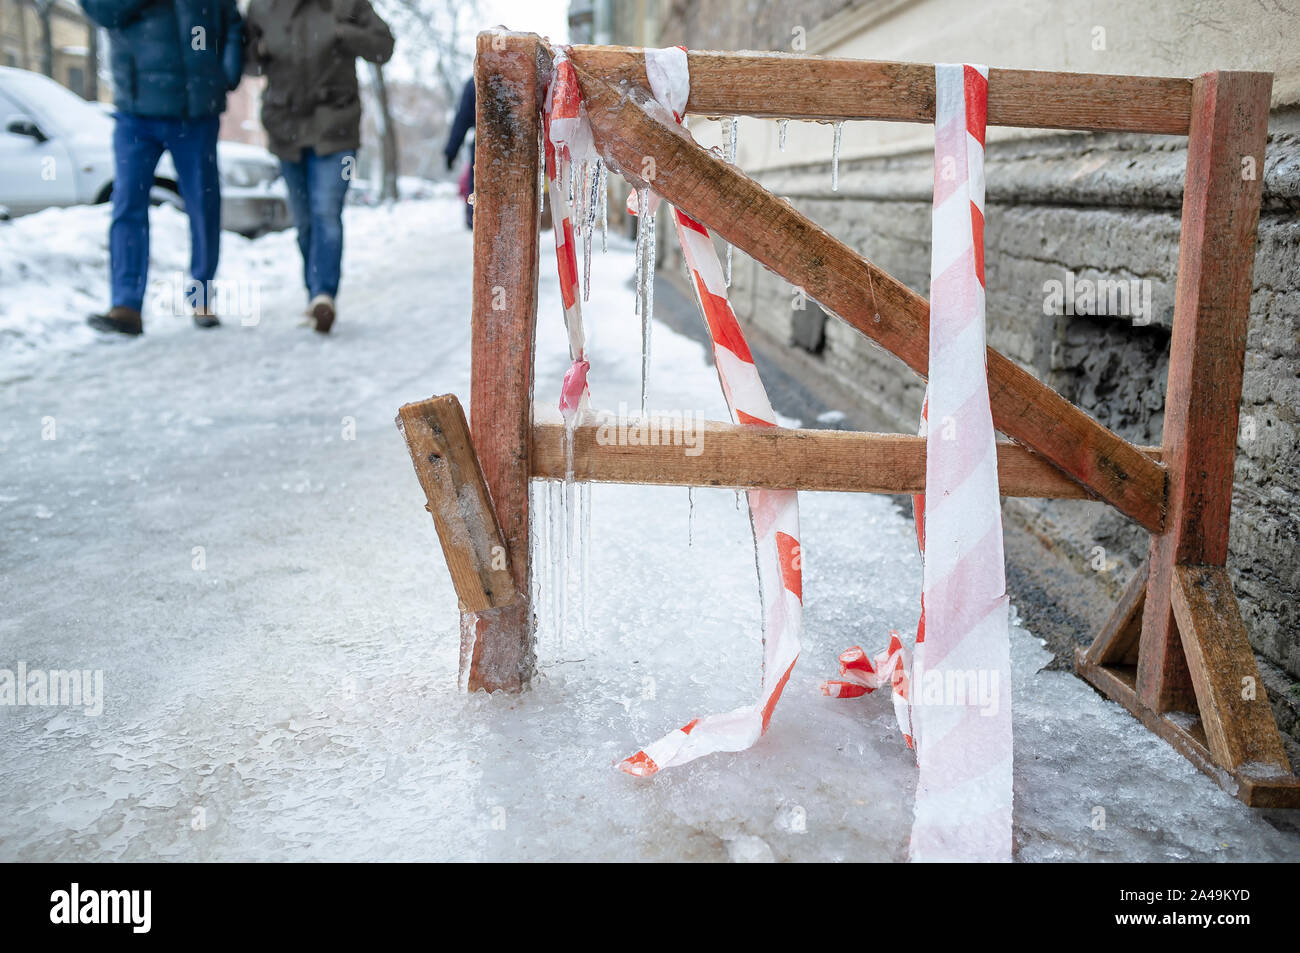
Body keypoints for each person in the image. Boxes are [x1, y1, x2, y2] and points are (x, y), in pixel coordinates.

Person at [82, 0, 243, 335]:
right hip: (136, 110)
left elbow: (233, 26)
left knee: (204, 206)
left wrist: (225, 74)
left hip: (196, 110)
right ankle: (126, 305)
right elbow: (100, 11)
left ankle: (202, 296)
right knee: (128, 203)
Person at [243, 0, 394, 334]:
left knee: (326, 211)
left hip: (336, 127)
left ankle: (324, 295)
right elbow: (244, 60)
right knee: (304, 220)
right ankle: (315, 293)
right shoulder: (263, 6)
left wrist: (342, 33)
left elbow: (384, 47)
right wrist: (262, 47)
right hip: (286, 129)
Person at [444, 76, 474, 230]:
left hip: (484, 146)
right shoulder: (522, 70)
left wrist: (451, 151)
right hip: (485, 145)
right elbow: (462, 119)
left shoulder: (477, 78)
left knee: (479, 187)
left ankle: (476, 222)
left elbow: (462, 119)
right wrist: (451, 150)